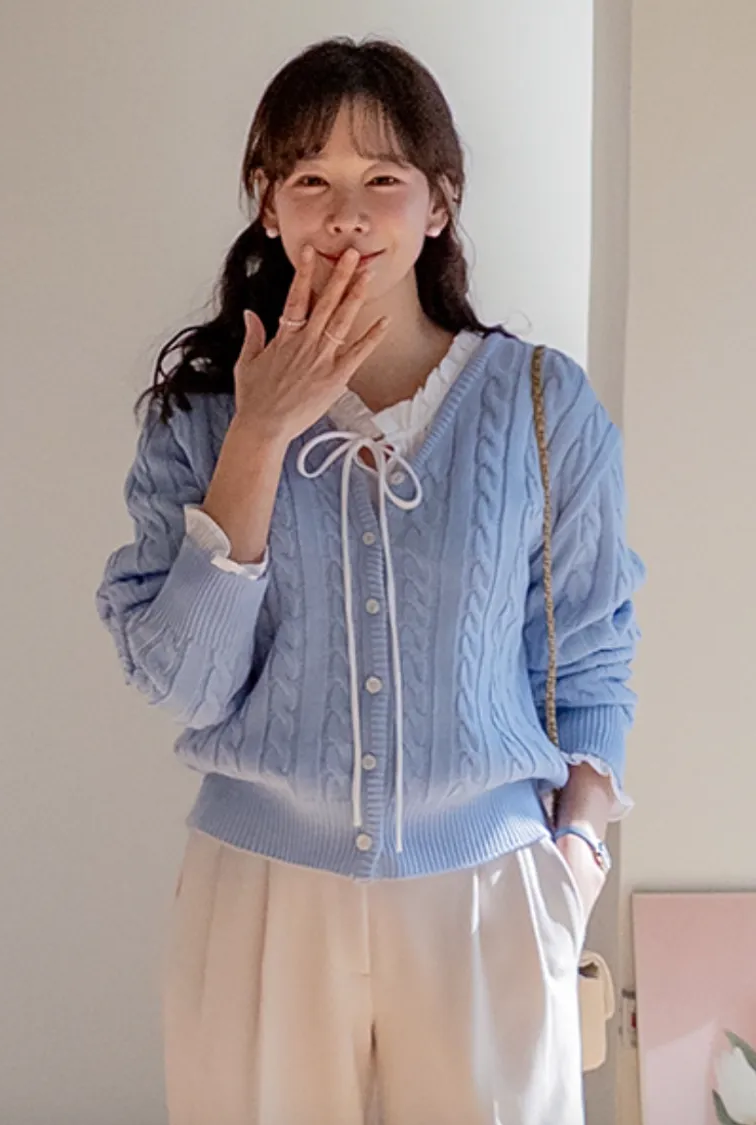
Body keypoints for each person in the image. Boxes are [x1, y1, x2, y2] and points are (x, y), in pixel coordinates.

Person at [96, 35, 644, 1125]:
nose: (345, 213)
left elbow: (589, 654)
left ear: (439, 203)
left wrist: (576, 858)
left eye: (382, 178)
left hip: (491, 893)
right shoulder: (202, 418)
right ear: (268, 206)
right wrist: (260, 434)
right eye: (310, 179)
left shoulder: (542, 405)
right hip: (262, 896)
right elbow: (183, 682)